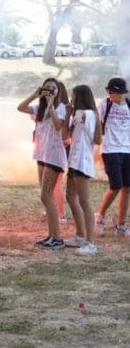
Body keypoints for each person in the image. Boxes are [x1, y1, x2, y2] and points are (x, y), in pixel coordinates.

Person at [18, 78, 68, 248]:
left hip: (54, 156)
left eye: (53, 88)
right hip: (42, 155)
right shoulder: (39, 108)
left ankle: (57, 238)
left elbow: (57, 126)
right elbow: (20, 107)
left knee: (46, 195)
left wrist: (52, 104)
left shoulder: (60, 107)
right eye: (47, 88)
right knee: (47, 198)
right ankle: (51, 236)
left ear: (58, 91)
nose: (50, 90)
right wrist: (35, 94)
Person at [65, 84, 102, 255]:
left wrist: (72, 111)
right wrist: (67, 114)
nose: (71, 100)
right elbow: (66, 134)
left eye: (73, 96)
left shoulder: (87, 114)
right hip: (74, 161)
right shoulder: (80, 115)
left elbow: (79, 117)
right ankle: (80, 235)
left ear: (79, 97)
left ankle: (90, 242)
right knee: (70, 197)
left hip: (81, 162)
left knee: (84, 202)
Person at [95, 77, 130, 237]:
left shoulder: (128, 105)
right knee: (116, 185)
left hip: (127, 150)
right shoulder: (104, 104)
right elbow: (94, 122)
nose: (111, 94)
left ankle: (121, 225)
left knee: (127, 188)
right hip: (110, 149)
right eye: (109, 91)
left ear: (121, 93)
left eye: (114, 92)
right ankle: (99, 217)